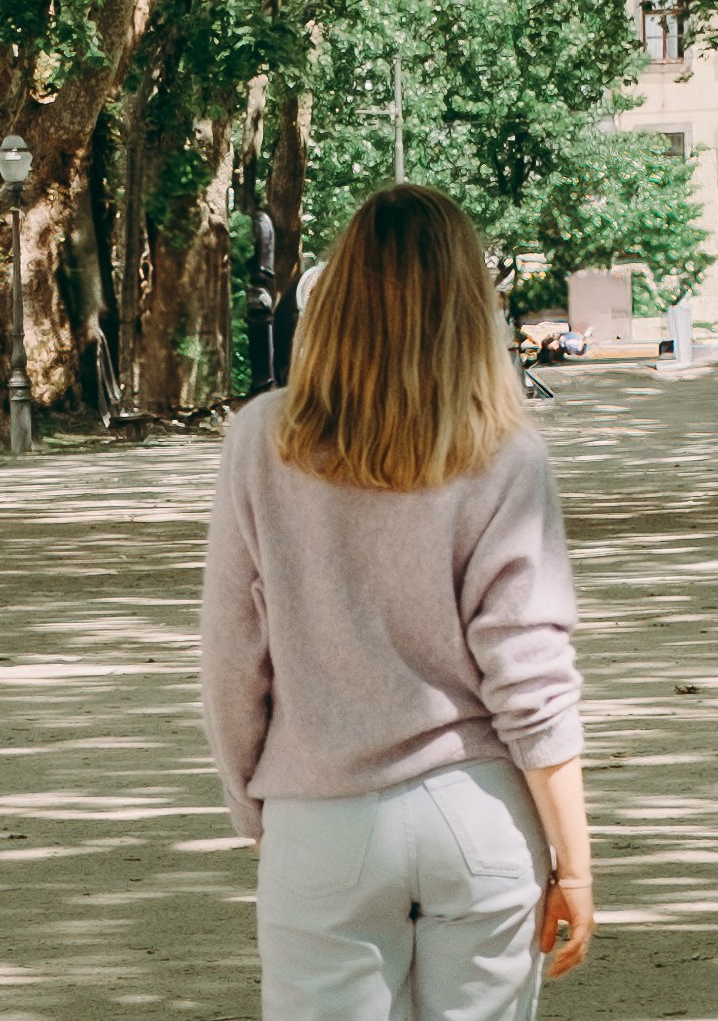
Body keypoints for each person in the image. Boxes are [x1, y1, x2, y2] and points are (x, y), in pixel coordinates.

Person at [201, 184, 594, 1019]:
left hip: (320, 811)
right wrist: (574, 863)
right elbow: (530, 675)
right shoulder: (505, 456)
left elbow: (233, 658)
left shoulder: (260, 443)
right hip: (479, 813)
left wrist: (258, 806)